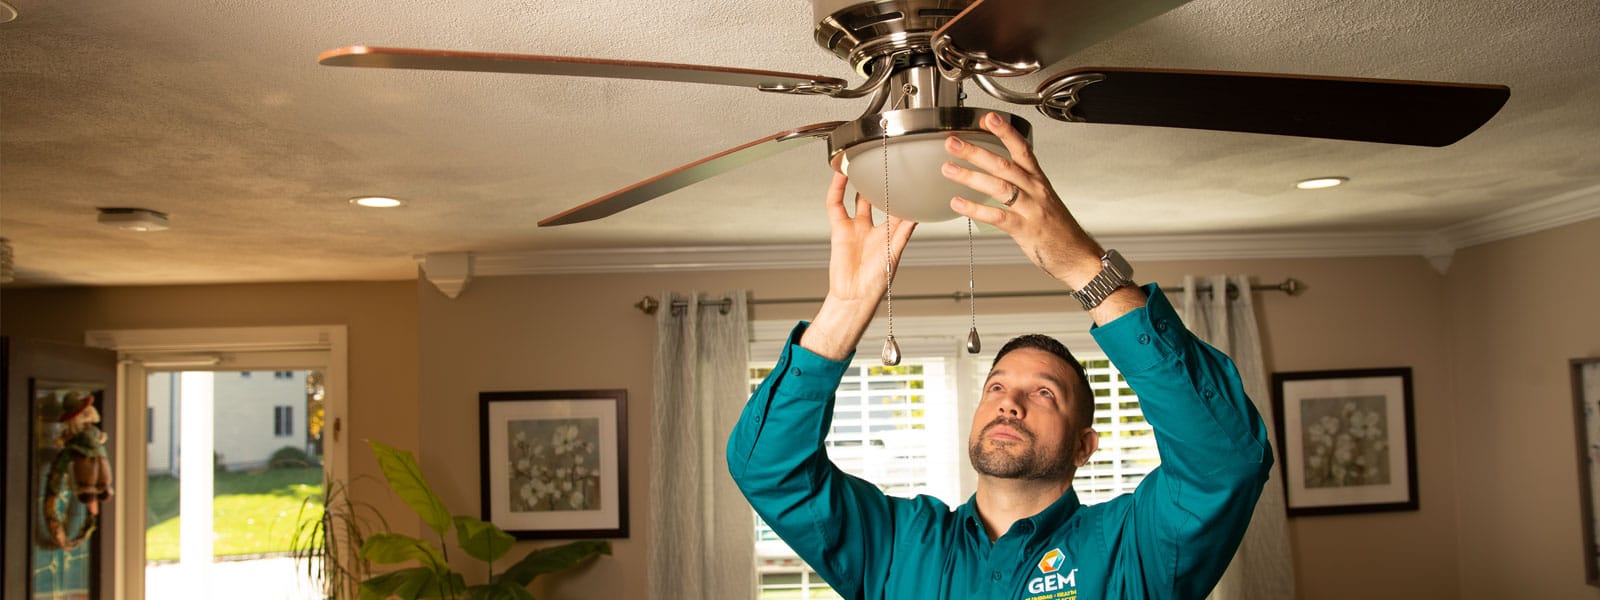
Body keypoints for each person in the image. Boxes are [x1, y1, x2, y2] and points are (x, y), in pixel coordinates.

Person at [727, 112, 1273, 599]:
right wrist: (844, 310)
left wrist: (1085, 268)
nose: (1009, 403)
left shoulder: (1133, 547)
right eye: (996, 386)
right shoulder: (896, 545)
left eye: (1044, 393)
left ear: (1084, 446)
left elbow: (1224, 463)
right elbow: (769, 470)